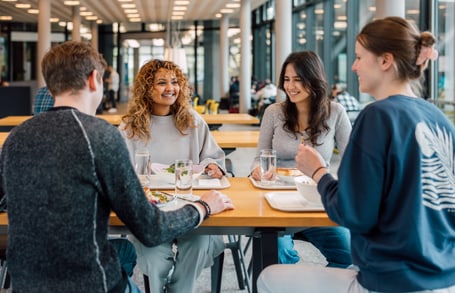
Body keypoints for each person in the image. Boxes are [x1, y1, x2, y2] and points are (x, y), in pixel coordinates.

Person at [0, 41, 234, 292]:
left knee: (125, 249)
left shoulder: (14, 139)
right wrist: (203, 206)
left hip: (26, 284)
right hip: (91, 283)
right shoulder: (100, 137)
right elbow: (150, 228)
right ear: (94, 80)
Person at [257, 17, 455, 293]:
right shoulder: (439, 119)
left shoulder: (378, 116)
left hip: (390, 281)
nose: (354, 66)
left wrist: (317, 172)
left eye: (360, 57)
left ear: (385, 61)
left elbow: (352, 213)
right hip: (443, 279)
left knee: (268, 277)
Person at [118, 59, 227, 293]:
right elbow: (120, 174)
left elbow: (213, 158)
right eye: (161, 82)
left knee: (200, 243)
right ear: (147, 88)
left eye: (175, 82)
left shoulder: (193, 122)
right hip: (151, 212)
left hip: (195, 208)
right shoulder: (129, 127)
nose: (171, 88)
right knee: (154, 255)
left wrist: (212, 166)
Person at [250, 51, 352, 268]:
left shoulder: (336, 112)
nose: (290, 86)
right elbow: (259, 157)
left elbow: (352, 161)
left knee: (349, 253)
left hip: (317, 199)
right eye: (287, 79)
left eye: (298, 79)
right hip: (275, 199)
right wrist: (257, 169)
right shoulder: (273, 112)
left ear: (314, 79)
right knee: (277, 253)